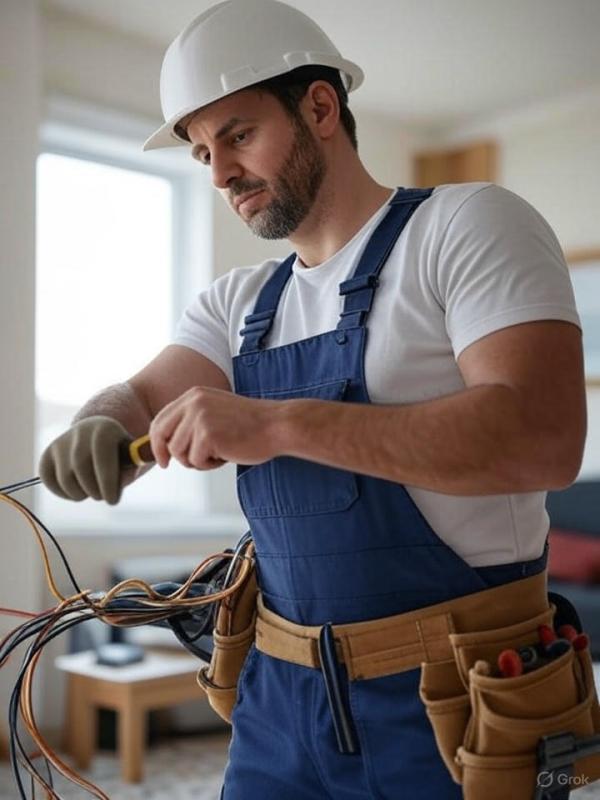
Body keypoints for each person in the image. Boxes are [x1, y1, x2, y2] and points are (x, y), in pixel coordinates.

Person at [39, 1, 587, 797]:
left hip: (456, 703)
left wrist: (279, 422)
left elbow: (542, 439)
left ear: (321, 107)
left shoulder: (467, 226)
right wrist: (98, 422)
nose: (221, 173)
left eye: (237, 134)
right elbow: (140, 396)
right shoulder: (237, 303)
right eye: (201, 154)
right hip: (278, 704)